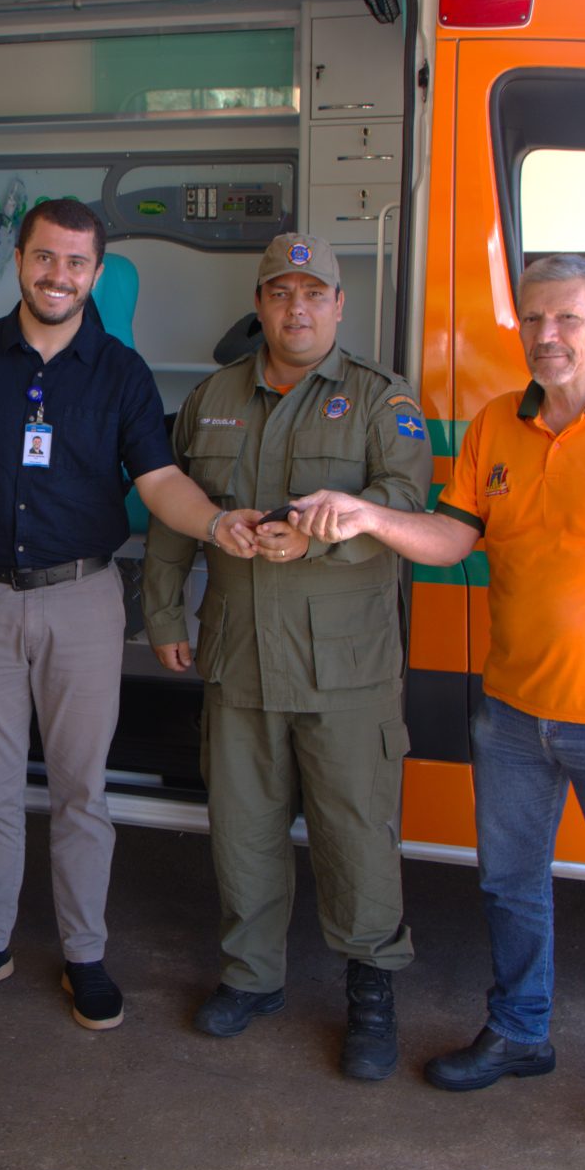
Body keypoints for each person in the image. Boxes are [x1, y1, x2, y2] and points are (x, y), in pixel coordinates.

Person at [292, 254, 585, 1170]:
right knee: (510, 888)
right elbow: (454, 538)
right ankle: (519, 1031)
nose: (547, 336)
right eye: (533, 321)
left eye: (568, 320)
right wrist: (370, 518)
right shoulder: (498, 429)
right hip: (512, 712)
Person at [0, 198, 262, 1030]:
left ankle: (85, 954)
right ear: (20, 260)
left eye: (76, 263)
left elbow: (158, 480)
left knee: (80, 792)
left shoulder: (120, 372)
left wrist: (215, 523)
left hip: (85, 600)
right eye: (45, 258)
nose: (59, 275)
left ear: (99, 273)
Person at [143, 232, 430, 1081]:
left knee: (355, 835)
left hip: (347, 667)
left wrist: (317, 538)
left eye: (313, 294)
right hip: (240, 657)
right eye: (279, 293)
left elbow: (404, 507)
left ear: (340, 306)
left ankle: (371, 989)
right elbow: (175, 512)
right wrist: (162, 608)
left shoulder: (382, 401)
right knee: (243, 830)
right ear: (259, 304)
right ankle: (252, 976)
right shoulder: (214, 399)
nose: (295, 309)